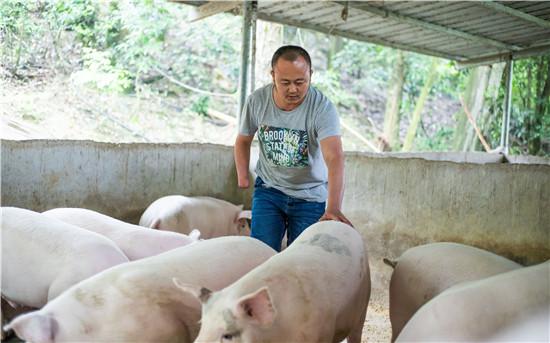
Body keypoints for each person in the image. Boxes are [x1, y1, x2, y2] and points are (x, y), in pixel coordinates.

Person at [234, 45, 352, 252]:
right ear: (273, 75)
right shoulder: (257, 101)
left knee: (301, 258)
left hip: (310, 196)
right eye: (285, 82)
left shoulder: (322, 108)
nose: (293, 89)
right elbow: (243, 140)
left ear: (311, 75)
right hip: (269, 190)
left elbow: (334, 157)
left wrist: (333, 207)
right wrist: (243, 176)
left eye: (300, 82)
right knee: (260, 252)